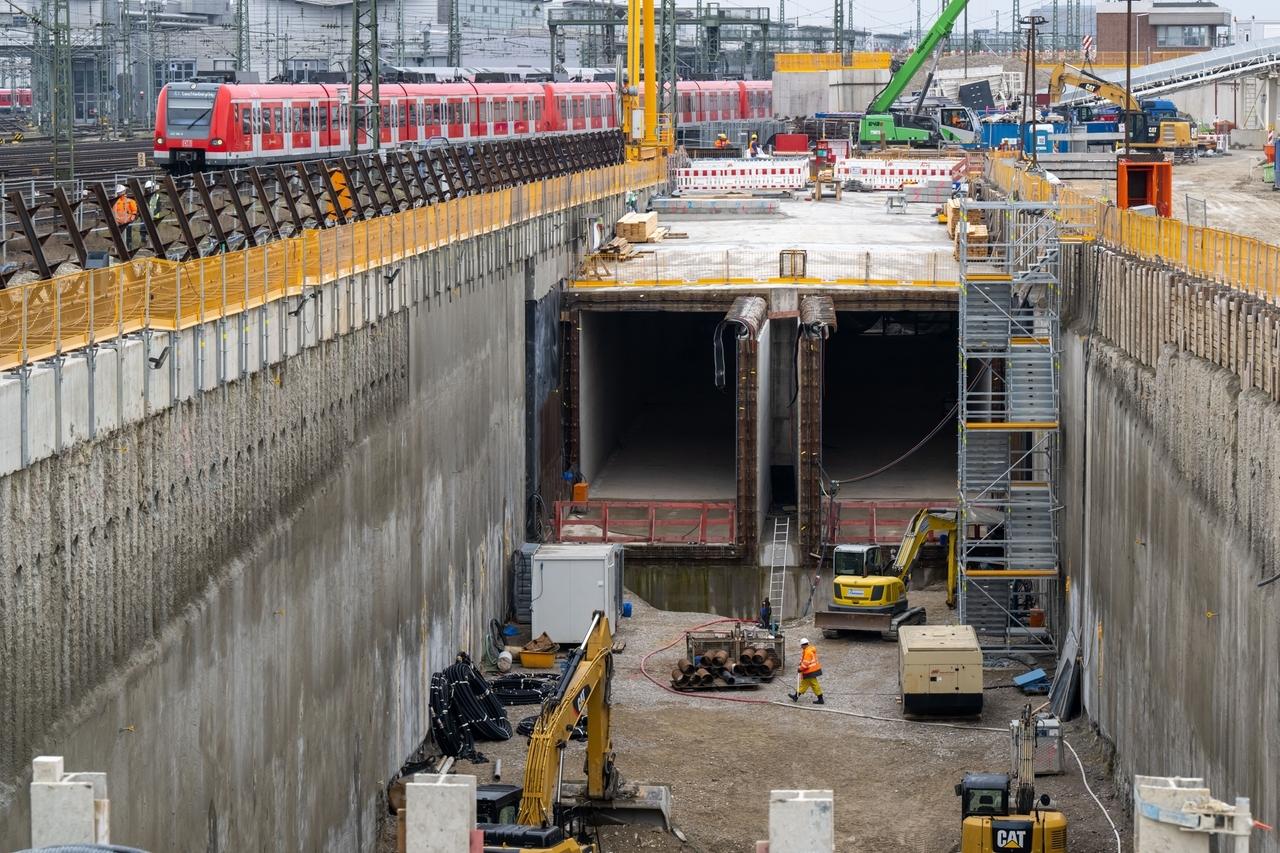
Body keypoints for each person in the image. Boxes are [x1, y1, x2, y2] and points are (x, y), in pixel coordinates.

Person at [787, 637, 824, 704]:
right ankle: (796, 696)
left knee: (814, 685)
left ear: (804, 645)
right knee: (804, 684)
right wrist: (800, 663)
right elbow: (804, 660)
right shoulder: (808, 649)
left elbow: (806, 663)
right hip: (812, 671)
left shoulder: (808, 652)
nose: (801, 647)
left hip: (810, 671)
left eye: (801, 645)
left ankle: (820, 699)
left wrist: (800, 669)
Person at [112, 184, 139, 250]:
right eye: (119, 193)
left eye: (120, 192)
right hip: (118, 222)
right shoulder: (115, 201)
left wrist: (132, 217)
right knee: (118, 236)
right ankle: (118, 248)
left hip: (127, 221)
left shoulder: (130, 201)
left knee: (128, 236)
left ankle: (128, 248)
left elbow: (134, 210)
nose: (120, 194)